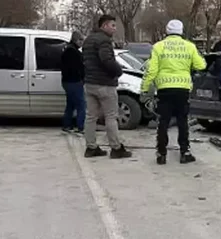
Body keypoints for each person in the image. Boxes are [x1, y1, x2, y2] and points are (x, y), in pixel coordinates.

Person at [141, 19, 206, 165]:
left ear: (167, 31)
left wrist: (144, 89)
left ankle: (161, 154)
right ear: (181, 31)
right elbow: (201, 65)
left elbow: (151, 70)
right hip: (183, 89)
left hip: (164, 89)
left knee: (163, 121)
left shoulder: (158, 46)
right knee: (183, 121)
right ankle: (185, 152)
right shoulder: (189, 46)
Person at [82, 15, 131, 159]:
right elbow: (107, 60)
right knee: (111, 116)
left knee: (90, 117)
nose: (115, 29)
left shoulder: (88, 40)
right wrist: (118, 71)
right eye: (113, 25)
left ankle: (91, 147)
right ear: (104, 26)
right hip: (104, 84)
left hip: (90, 83)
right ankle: (116, 148)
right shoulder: (104, 40)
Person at [61, 31, 86, 134]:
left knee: (70, 104)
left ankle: (67, 125)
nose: (82, 42)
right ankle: (80, 127)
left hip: (67, 81)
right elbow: (78, 68)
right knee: (81, 105)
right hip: (74, 81)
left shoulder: (67, 49)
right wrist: (82, 78)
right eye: (80, 40)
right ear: (76, 40)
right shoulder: (73, 52)